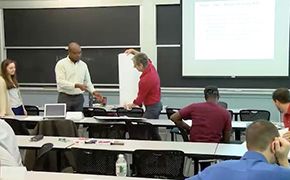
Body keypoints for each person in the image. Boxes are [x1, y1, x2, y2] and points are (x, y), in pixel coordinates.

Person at [187, 120, 290, 180]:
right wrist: (284, 160)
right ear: (274, 145)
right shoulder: (280, 174)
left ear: (247, 145)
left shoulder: (215, 169)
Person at [124, 49, 162, 140]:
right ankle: (159, 149)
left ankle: (148, 150)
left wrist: (130, 105)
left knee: (143, 129)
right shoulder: (150, 67)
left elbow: (139, 100)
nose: (134, 67)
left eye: (135, 65)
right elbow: (144, 57)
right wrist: (133, 51)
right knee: (153, 130)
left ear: (141, 65)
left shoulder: (146, 80)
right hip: (156, 105)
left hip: (152, 109)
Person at [55, 42, 102, 111]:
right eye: (75, 53)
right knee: (64, 120)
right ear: (69, 52)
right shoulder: (61, 64)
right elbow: (60, 82)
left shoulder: (83, 65)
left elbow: (87, 82)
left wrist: (93, 92)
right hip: (65, 97)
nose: (78, 55)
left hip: (79, 98)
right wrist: (76, 85)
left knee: (78, 119)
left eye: (79, 53)